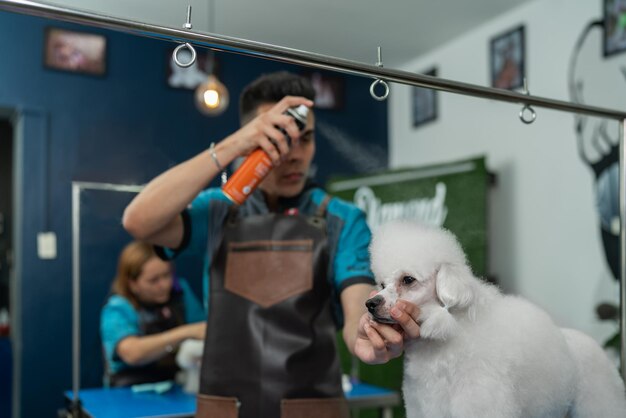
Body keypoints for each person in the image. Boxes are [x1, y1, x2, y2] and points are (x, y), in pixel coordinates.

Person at [123, 71, 420, 418]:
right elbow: (138, 220)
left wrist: (367, 333)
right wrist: (232, 146)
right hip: (224, 410)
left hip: (312, 410)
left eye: (305, 138)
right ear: (254, 138)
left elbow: (356, 301)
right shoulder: (219, 210)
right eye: (282, 138)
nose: (295, 155)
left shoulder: (342, 219)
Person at [100, 241, 206, 387]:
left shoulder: (181, 293)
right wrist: (185, 332)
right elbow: (132, 353)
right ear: (133, 283)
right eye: (153, 280)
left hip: (176, 385)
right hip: (129, 391)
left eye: (167, 275)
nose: (164, 285)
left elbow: (203, 330)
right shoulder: (117, 308)